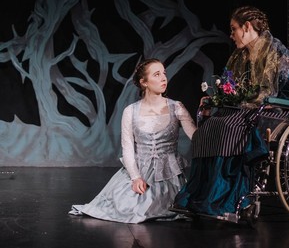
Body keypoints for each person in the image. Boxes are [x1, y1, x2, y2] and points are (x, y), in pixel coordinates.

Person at [171, 6, 289, 217]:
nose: (231, 35)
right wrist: (218, 97)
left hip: (281, 107)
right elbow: (229, 85)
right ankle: (201, 195)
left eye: (234, 29)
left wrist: (239, 100)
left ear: (247, 27)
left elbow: (268, 91)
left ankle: (228, 196)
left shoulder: (275, 51)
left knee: (228, 127)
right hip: (248, 108)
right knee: (209, 127)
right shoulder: (239, 56)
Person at [69, 58, 197, 224]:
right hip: (139, 170)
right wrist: (136, 177)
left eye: (164, 73)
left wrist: (205, 117)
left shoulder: (176, 107)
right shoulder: (131, 111)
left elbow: (196, 138)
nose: (164, 78)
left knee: (159, 206)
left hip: (167, 175)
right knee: (125, 206)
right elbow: (128, 149)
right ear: (144, 82)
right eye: (157, 74)